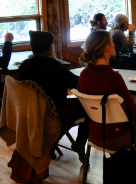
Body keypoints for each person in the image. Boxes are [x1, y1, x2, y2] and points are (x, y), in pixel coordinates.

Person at [18, 31, 89, 162]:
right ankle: (79, 143)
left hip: (33, 111)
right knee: (88, 108)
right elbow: (75, 82)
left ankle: (52, 143)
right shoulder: (52, 65)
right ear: (49, 47)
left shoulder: (25, 66)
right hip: (54, 110)